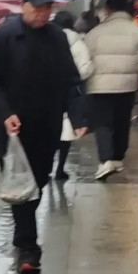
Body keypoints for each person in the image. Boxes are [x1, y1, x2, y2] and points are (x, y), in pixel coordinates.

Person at [0, 0, 86, 274]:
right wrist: (5, 112)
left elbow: (71, 80)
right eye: (37, 7)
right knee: (19, 183)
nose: (42, 13)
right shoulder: (3, 36)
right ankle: (29, 247)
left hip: (46, 124)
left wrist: (78, 118)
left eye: (47, 7)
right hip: (12, 128)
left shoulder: (57, 37)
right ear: (23, 5)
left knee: (37, 183)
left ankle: (22, 232)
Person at [84, 0, 138, 181]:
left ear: (108, 9)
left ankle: (105, 160)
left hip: (99, 86)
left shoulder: (95, 33)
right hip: (127, 86)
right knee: (122, 121)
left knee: (103, 123)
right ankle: (117, 158)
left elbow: (86, 60)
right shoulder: (137, 32)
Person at [52, 10, 94, 180]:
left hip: (48, 91)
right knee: (66, 133)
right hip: (70, 91)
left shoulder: (48, 38)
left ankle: (47, 165)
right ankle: (60, 168)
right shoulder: (78, 43)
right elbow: (86, 67)